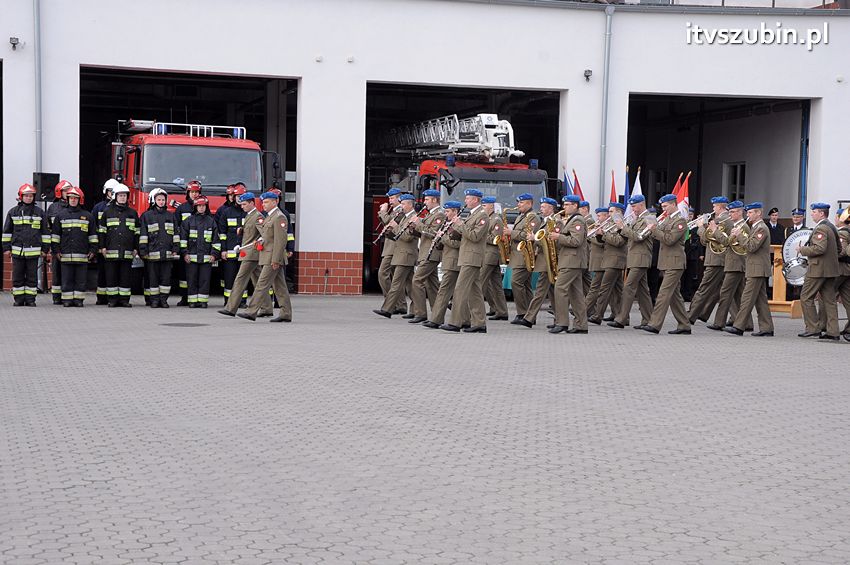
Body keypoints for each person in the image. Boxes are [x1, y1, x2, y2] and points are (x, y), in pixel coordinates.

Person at [237, 191, 293, 322]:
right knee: (280, 287)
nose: (264, 204)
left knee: (262, 284)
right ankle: (286, 313)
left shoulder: (279, 217)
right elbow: (268, 236)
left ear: (275, 202)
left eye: (267, 202)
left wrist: (276, 260)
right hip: (268, 256)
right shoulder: (269, 217)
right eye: (263, 202)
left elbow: (280, 241)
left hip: (272, 257)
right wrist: (260, 241)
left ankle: (251, 311)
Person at [641, 194, 691, 334]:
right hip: (666, 262)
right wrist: (652, 228)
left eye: (665, 206)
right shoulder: (667, 219)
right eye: (662, 207)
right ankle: (684, 325)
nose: (663, 209)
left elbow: (669, 240)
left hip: (675, 262)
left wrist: (655, 230)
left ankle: (654, 324)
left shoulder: (680, 221)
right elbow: (658, 236)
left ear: (673, 204)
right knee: (675, 296)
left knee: (663, 293)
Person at [218, 192, 274, 318]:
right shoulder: (249, 215)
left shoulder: (257, 216)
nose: (242, 206)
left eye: (244, 204)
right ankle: (266, 308)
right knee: (259, 281)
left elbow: (265, 233)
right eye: (241, 204)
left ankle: (231, 308)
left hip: (251, 254)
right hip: (249, 253)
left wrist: (259, 241)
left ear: (251, 203)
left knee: (240, 279)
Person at [442, 189, 489, 333]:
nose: (466, 201)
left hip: (472, 257)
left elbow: (475, 236)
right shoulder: (472, 214)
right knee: (474, 291)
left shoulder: (482, 216)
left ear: (476, 200)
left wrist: (460, 225)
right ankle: (479, 323)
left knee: (460, 289)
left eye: (468, 198)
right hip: (467, 256)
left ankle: (456, 322)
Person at [723, 202, 774, 337]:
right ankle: (767, 328)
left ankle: (739, 326)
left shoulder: (761, 228)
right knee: (760, 299)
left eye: (751, 213)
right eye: (748, 212)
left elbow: (752, 247)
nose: (748, 215)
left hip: (757, 269)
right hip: (754, 268)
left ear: (758, 213)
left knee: (747, 298)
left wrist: (739, 235)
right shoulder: (755, 227)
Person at [608, 194, 654, 329]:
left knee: (628, 288)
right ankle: (648, 320)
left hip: (641, 258)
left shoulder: (649, 218)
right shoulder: (637, 218)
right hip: (634, 258)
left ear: (641, 204)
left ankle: (621, 319)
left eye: (634, 206)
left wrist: (623, 227)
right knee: (642, 291)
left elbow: (639, 237)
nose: (633, 209)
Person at [797, 202, 841, 341]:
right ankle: (833, 331)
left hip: (818, 269)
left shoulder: (821, 228)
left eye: (814, 212)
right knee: (829, 301)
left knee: (806, 297)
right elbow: (839, 249)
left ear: (821, 213)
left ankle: (813, 328)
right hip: (830, 270)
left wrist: (802, 250)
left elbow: (819, 248)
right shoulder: (831, 227)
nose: (812, 214)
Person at [705, 201, 752, 332]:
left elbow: (726, 242)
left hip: (736, 264)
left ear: (739, 212)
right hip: (734, 264)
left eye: (732, 212)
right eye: (729, 211)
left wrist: (714, 230)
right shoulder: (738, 225)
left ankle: (719, 322)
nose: (730, 214)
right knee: (739, 295)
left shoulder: (742, 227)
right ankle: (747, 323)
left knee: (725, 293)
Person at [513, 197, 559, 329]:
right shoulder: (546, 221)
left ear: (551, 208)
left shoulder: (556, 221)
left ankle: (529, 318)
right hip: (544, 260)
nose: (541, 209)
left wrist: (535, 239)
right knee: (552, 291)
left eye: (544, 207)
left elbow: (551, 240)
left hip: (549, 261)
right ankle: (559, 319)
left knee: (540, 291)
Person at [3, 183, 50, 306]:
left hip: (33, 252)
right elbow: (7, 232)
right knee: (17, 276)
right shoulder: (13, 212)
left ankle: (30, 300)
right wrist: (6, 248)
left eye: (31, 196)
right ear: (21, 196)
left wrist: (45, 249)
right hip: (17, 251)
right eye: (26, 196)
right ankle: (18, 300)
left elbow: (45, 232)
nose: (29, 198)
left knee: (32, 277)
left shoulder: (40, 213)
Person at [373, 194, 419, 318]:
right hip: (402, 254)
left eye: (403, 204)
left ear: (410, 204)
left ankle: (387, 309)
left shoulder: (414, 218)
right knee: (410, 286)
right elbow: (398, 236)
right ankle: (417, 311)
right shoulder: (405, 217)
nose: (401, 206)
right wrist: (389, 231)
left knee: (396, 283)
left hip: (406, 255)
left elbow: (408, 237)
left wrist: (395, 227)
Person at [687, 196, 731, 324]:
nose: (712, 208)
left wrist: (701, 227)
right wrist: (706, 226)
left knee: (704, 288)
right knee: (720, 291)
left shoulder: (722, 219)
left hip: (716, 259)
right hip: (720, 259)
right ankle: (704, 314)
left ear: (719, 207)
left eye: (714, 206)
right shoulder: (721, 219)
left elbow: (708, 238)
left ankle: (691, 315)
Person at [548, 194, 588, 334]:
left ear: (575, 206)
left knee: (560, 289)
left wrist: (559, 237)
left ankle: (562, 322)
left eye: (567, 204)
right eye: (564, 205)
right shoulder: (571, 220)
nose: (564, 207)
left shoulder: (577, 221)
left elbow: (576, 241)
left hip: (572, 260)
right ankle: (581, 325)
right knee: (576, 294)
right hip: (571, 260)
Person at [52, 186, 97, 307]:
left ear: (80, 200)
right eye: (71, 198)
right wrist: (56, 251)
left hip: (82, 255)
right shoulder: (60, 216)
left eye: (75, 198)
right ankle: (67, 300)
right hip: (65, 254)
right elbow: (56, 236)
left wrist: (93, 250)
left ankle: (78, 300)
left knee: (80, 279)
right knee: (66, 279)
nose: (73, 200)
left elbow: (93, 236)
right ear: (67, 199)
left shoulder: (88, 216)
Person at [407, 189, 445, 324]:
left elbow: (434, 233)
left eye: (427, 200)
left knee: (417, 281)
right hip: (425, 252)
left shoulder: (440, 214)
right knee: (432, 285)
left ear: (434, 200)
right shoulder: (430, 215)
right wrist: (413, 228)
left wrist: (419, 224)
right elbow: (423, 233)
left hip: (432, 253)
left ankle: (421, 313)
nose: (425, 202)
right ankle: (436, 315)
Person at [422, 201, 463, 329]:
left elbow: (458, 244)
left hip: (454, 261)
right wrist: (438, 240)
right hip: (448, 260)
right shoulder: (448, 224)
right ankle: (439, 319)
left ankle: (436, 320)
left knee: (444, 290)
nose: (445, 214)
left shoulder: (458, 224)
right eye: (445, 211)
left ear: (455, 212)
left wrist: (443, 238)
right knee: (447, 291)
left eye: (448, 211)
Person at [98, 183, 139, 307]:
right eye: (120, 195)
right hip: (111, 251)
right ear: (115, 196)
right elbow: (102, 231)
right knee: (111, 276)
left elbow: (137, 232)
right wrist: (102, 247)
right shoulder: (107, 212)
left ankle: (124, 300)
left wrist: (136, 248)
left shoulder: (132, 213)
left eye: (125, 196)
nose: (122, 198)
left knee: (125, 277)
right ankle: (112, 300)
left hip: (127, 251)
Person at [139, 188, 179, 308]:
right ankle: (154, 300)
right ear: (153, 200)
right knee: (153, 279)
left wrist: (176, 249)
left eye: (163, 200)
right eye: (159, 199)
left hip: (167, 255)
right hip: (152, 255)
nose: (161, 202)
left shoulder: (171, 216)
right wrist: (143, 251)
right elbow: (143, 235)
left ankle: (164, 300)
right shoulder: (147, 216)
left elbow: (176, 234)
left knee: (166, 279)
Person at [180, 195, 220, 308]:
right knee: (191, 279)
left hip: (206, 258)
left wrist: (214, 254)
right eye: (199, 206)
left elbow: (216, 240)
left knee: (205, 280)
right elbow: (183, 239)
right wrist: (185, 253)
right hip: (191, 257)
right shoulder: (188, 221)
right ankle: (192, 301)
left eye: (203, 206)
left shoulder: (211, 221)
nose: (201, 208)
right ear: (195, 207)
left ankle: (203, 301)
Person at [588, 201, 625, 325]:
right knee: (617, 291)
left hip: (615, 260)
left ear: (619, 212)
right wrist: (600, 235)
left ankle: (598, 315)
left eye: (611, 211)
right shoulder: (612, 224)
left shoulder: (622, 225)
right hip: (609, 260)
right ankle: (620, 316)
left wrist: (603, 235)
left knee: (604, 289)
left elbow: (619, 241)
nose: (609, 214)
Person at [505, 193, 539, 323]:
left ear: (529, 204)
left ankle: (522, 313)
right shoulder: (521, 216)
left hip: (524, 255)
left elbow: (528, 235)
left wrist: (511, 233)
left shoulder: (533, 217)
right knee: (525, 285)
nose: (518, 205)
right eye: (518, 202)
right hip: (517, 255)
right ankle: (530, 315)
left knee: (516, 282)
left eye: (521, 202)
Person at [377, 188, 407, 314]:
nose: (390, 201)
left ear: (399, 198)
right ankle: (400, 305)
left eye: (392, 198)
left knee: (382, 274)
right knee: (395, 279)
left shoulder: (401, 211)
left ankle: (391, 303)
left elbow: (392, 223)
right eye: (389, 198)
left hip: (394, 248)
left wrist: (383, 212)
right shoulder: (395, 210)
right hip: (390, 247)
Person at [216, 184, 247, 306]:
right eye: (237, 196)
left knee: (243, 277)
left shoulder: (249, 213)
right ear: (233, 197)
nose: (240, 199)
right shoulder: (226, 212)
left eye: (242, 196)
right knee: (229, 278)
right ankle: (228, 301)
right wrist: (223, 250)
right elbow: (222, 233)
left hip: (245, 252)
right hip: (229, 251)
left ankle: (242, 301)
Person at [174, 180, 203, 306]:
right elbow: (176, 226)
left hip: (199, 246)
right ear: (188, 193)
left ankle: (194, 297)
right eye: (192, 192)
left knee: (196, 274)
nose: (195, 194)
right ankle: (184, 297)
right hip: (185, 245)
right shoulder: (181, 208)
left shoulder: (203, 207)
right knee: (183, 274)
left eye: (197, 192)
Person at [480, 196, 509, 321]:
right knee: (496, 285)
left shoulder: (496, 219)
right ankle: (500, 310)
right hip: (487, 254)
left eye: (484, 206)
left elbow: (495, 239)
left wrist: (480, 236)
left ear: (491, 206)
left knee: (480, 282)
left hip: (490, 255)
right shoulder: (488, 218)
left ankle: (472, 310)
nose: (482, 208)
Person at [92, 178, 118, 304]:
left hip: (115, 245)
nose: (112, 194)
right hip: (102, 245)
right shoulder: (98, 207)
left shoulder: (122, 208)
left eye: (114, 191)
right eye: (110, 191)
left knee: (114, 273)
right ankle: (101, 297)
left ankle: (112, 296)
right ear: (105, 192)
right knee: (102, 272)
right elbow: (94, 226)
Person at [47, 179, 73, 304]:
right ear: (59, 192)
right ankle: (57, 297)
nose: (68, 193)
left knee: (69, 272)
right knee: (57, 271)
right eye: (65, 190)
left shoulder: (75, 206)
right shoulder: (53, 208)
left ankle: (68, 295)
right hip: (57, 244)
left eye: (69, 190)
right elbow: (48, 227)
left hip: (71, 245)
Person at [585, 206, 609, 321]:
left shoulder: (606, 227)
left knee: (595, 287)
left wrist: (591, 237)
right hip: (596, 260)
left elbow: (603, 243)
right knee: (615, 291)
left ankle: (585, 310)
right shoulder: (598, 226)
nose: (597, 218)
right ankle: (620, 314)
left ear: (606, 216)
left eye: (599, 216)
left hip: (601, 260)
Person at [834, 206, 850, 342]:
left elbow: (842, 252)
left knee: (825, 297)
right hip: (847, 270)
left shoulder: (842, 233)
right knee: (848, 300)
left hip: (840, 269)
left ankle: (828, 327)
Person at [682, 207, 704, 302]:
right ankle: (681, 293)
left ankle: (688, 294)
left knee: (690, 276)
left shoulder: (695, 226)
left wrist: (701, 253)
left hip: (693, 254)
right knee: (682, 275)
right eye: (688, 214)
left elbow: (700, 241)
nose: (690, 216)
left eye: (691, 214)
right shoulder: (683, 225)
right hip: (683, 253)